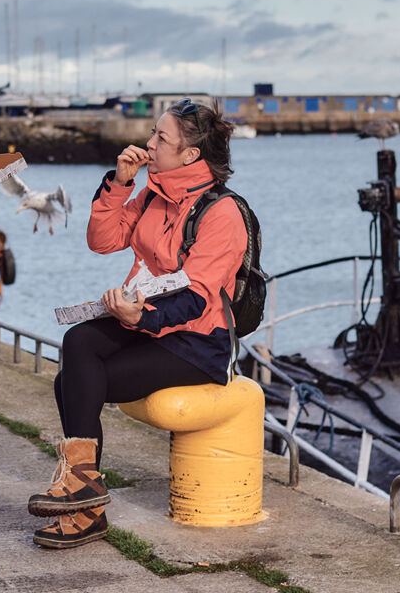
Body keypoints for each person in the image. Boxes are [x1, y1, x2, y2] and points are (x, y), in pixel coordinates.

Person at [27, 99, 246, 549]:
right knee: (79, 341)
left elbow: (196, 297)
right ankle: (84, 494)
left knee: (73, 381)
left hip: (197, 343)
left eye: (160, 138)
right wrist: (119, 184)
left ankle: (84, 507)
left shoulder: (222, 213)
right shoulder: (151, 193)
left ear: (190, 155)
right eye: (152, 133)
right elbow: (102, 240)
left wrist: (139, 315)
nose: (146, 143)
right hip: (148, 322)